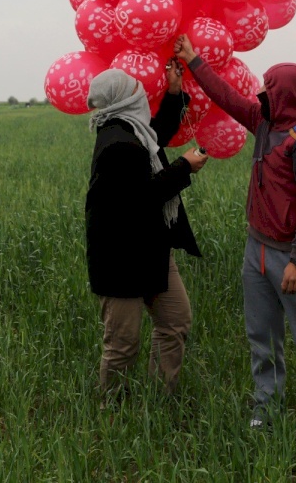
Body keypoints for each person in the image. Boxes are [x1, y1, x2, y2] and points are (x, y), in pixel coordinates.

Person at [174, 34, 296, 463]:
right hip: (255, 251)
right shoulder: (265, 122)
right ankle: (266, 410)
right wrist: (193, 60)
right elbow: (228, 97)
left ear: (284, 94)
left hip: (291, 259)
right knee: (262, 339)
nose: (261, 94)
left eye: (269, 87)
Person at [85, 62, 209, 401]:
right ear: (124, 99)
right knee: (123, 346)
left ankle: (159, 401)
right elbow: (140, 200)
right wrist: (185, 166)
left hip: (151, 250)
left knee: (175, 321)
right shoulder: (118, 144)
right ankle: (112, 415)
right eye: (133, 88)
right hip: (121, 259)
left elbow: (158, 133)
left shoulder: (128, 130)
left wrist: (173, 91)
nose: (140, 91)